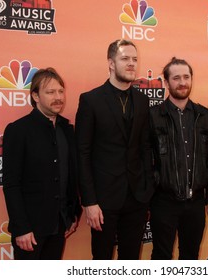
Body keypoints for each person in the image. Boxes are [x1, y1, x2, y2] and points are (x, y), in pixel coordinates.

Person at [75, 39, 154, 260]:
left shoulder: (142, 100)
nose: (131, 64)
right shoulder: (91, 100)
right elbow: (82, 153)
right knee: (102, 260)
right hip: (103, 200)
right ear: (111, 63)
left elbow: (145, 148)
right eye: (125, 59)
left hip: (136, 197)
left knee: (131, 259)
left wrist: (146, 192)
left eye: (135, 59)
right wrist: (89, 201)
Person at [2, 67, 81, 260]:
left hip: (60, 223)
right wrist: (21, 228)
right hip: (30, 230)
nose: (58, 97)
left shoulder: (67, 129)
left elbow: (70, 174)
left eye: (61, 91)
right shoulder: (18, 130)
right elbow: (11, 184)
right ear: (35, 96)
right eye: (50, 92)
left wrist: (73, 213)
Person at [149, 57, 208, 260]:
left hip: (195, 202)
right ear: (167, 82)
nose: (182, 82)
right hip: (163, 201)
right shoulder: (153, 116)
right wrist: (156, 182)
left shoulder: (204, 116)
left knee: (190, 257)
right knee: (161, 256)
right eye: (176, 77)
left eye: (186, 77)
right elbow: (144, 157)